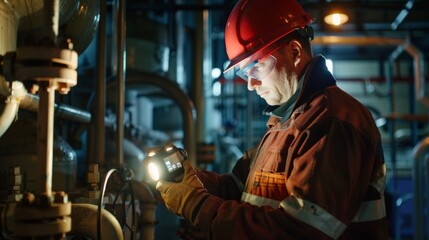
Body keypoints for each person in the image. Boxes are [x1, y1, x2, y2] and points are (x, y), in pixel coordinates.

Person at [156, 0, 389, 239]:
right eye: (244, 72)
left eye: (256, 67)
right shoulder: (287, 122)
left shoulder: (332, 122)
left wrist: (196, 205)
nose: (250, 84)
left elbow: (300, 232)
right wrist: (191, 181)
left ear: (295, 52)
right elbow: (238, 188)